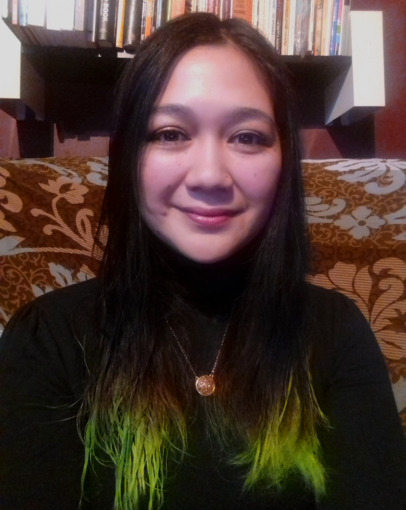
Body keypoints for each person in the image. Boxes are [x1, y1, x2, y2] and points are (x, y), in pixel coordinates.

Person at [1, 12, 405, 510]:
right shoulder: (49, 339)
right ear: (130, 157)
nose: (210, 175)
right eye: (170, 133)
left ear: (284, 163)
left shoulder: (334, 334)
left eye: (247, 137)